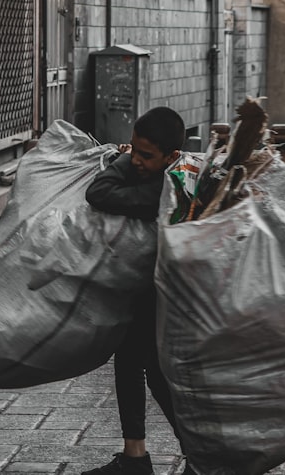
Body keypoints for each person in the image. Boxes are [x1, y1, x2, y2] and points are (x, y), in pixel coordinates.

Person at [82, 106, 193, 475]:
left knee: (153, 370)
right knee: (131, 360)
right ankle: (136, 456)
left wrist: (123, 161)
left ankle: (195, 454)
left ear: (171, 156)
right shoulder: (176, 173)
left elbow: (98, 192)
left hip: (159, 291)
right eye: (134, 149)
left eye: (146, 155)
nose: (138, 160)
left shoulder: (163, 191)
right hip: (147, 286)